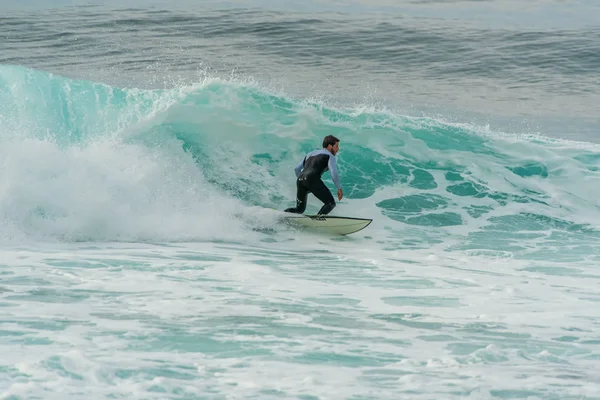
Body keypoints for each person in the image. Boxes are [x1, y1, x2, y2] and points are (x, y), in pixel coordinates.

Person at [284, 135, 343, 215]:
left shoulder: (310, 154)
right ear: (330, 146)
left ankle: (282, 215)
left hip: (300, 179)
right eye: (336, 146)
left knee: (299, 209)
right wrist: (339, 188)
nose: (338, 149)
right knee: (330, 203)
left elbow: (296, 169)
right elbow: (334, 172)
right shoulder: (330, 155)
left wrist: (304, 181)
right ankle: (317, 220)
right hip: (311, 179)